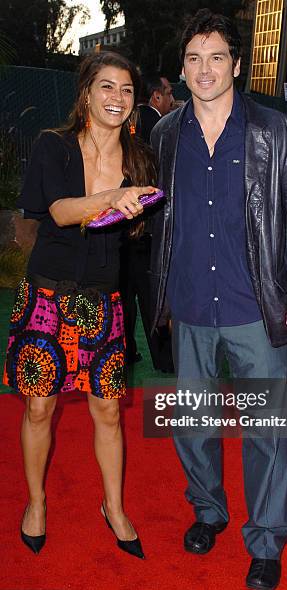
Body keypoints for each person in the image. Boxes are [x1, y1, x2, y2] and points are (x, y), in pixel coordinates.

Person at [150, 9, 287, 590]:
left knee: (264, 429)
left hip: (256, 303)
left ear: (237, 65)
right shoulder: (165, 133)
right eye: (194, 58)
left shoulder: (275, 131)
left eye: (217, 57)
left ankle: (267, 539)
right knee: (193, 425)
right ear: (182, 69)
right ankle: (208, 511)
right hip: (191, 303)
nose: (205, 69)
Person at [3, 51, 157, 557]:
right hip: (47, 295)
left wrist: (138, 205)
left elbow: (138, 228)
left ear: (135, 102)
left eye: (127, 90)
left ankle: (113, 507)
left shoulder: (138, 158)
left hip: (104, 301)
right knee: (40, 406)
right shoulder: (54, 147)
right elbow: (60, 212)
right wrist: (114, 198)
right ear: (87, 93)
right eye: (107, 87)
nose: (117, 98)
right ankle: (36, 502)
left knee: (108, 412)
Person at [120, 72, 175, 372]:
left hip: (125, 227)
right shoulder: (161, 128)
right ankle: (164, 358)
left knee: (126, 294)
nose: (172, 98)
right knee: (152, 294)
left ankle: (127, 351)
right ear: (156, 96)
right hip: (147, 225)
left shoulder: (130, 129)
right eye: (168, 93)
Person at [136, 73, 174, 143]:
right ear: (157, 97)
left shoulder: (129, 119)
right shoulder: (162, 128)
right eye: (169, 94)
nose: (172, 100)